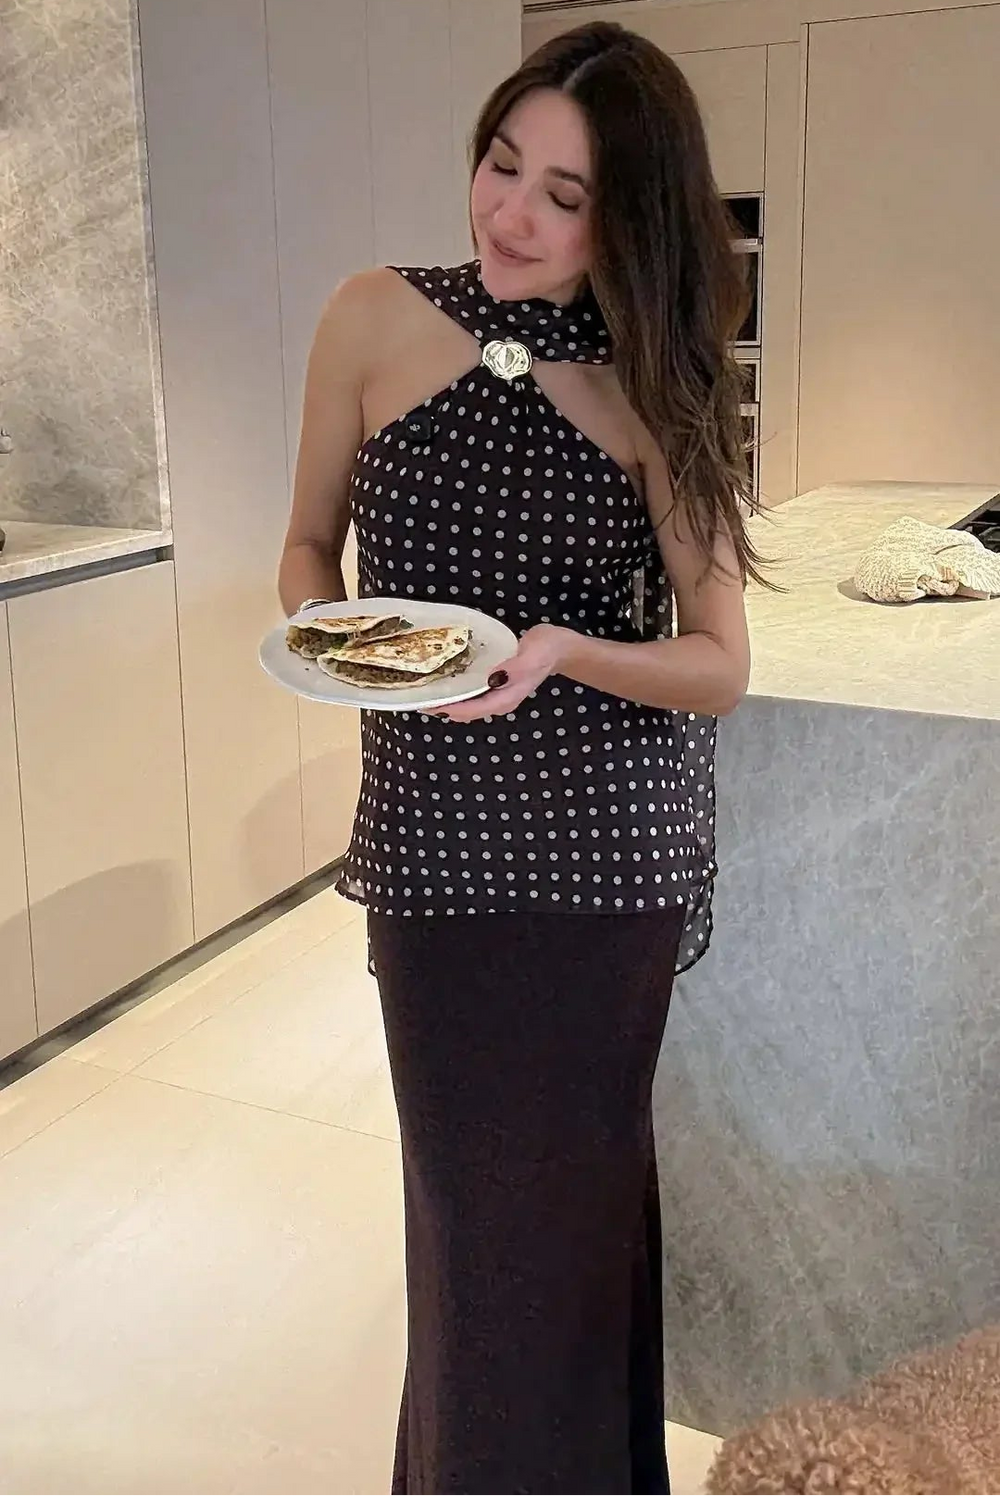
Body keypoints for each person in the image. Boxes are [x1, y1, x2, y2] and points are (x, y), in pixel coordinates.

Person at [278, 20, 759, 1495]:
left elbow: (720, 664)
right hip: (434, 854)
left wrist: (564, 650)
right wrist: (335, 644)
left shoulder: (652, 382)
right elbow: (305, 550)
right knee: (470, 1232)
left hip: (605, 869)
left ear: (630, 219)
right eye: (503, 166)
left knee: (573, 1230)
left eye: (567, 195)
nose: (514, 214)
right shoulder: (371, 317)